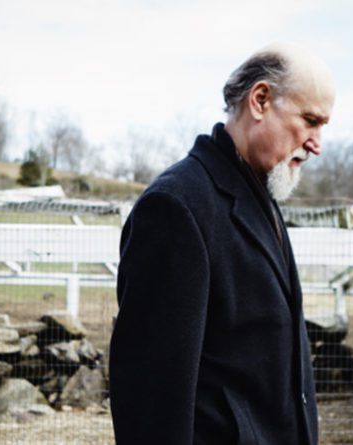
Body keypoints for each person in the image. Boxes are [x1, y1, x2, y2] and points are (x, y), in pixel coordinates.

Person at [109, 42, 335, 445]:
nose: (317, 143)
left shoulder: (260, 193)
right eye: (310, 120)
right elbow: (151, 401)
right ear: (260, 100)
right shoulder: (177, 207)